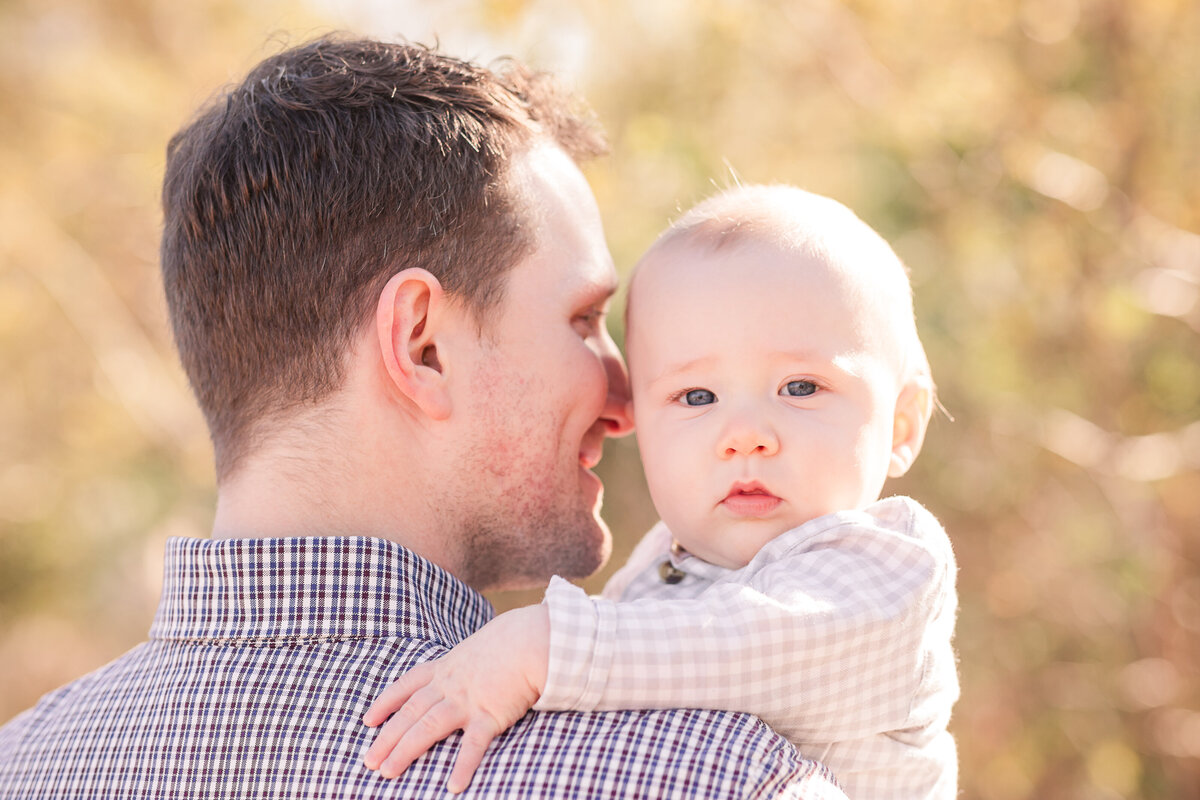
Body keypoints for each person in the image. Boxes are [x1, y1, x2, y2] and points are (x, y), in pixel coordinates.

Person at [0, 37, 847, 799]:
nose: (628, 403)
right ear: (422, 345)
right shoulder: (712, 777)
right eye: (584, 322)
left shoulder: (22, 763)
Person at [363, 185, 960, 799]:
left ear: (903, 423)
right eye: (697, 397)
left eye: (801, 387)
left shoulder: (890, 568)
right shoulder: (657, 568)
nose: (745, 436)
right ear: (639, 422)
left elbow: (749, 647)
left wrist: (545, 648)